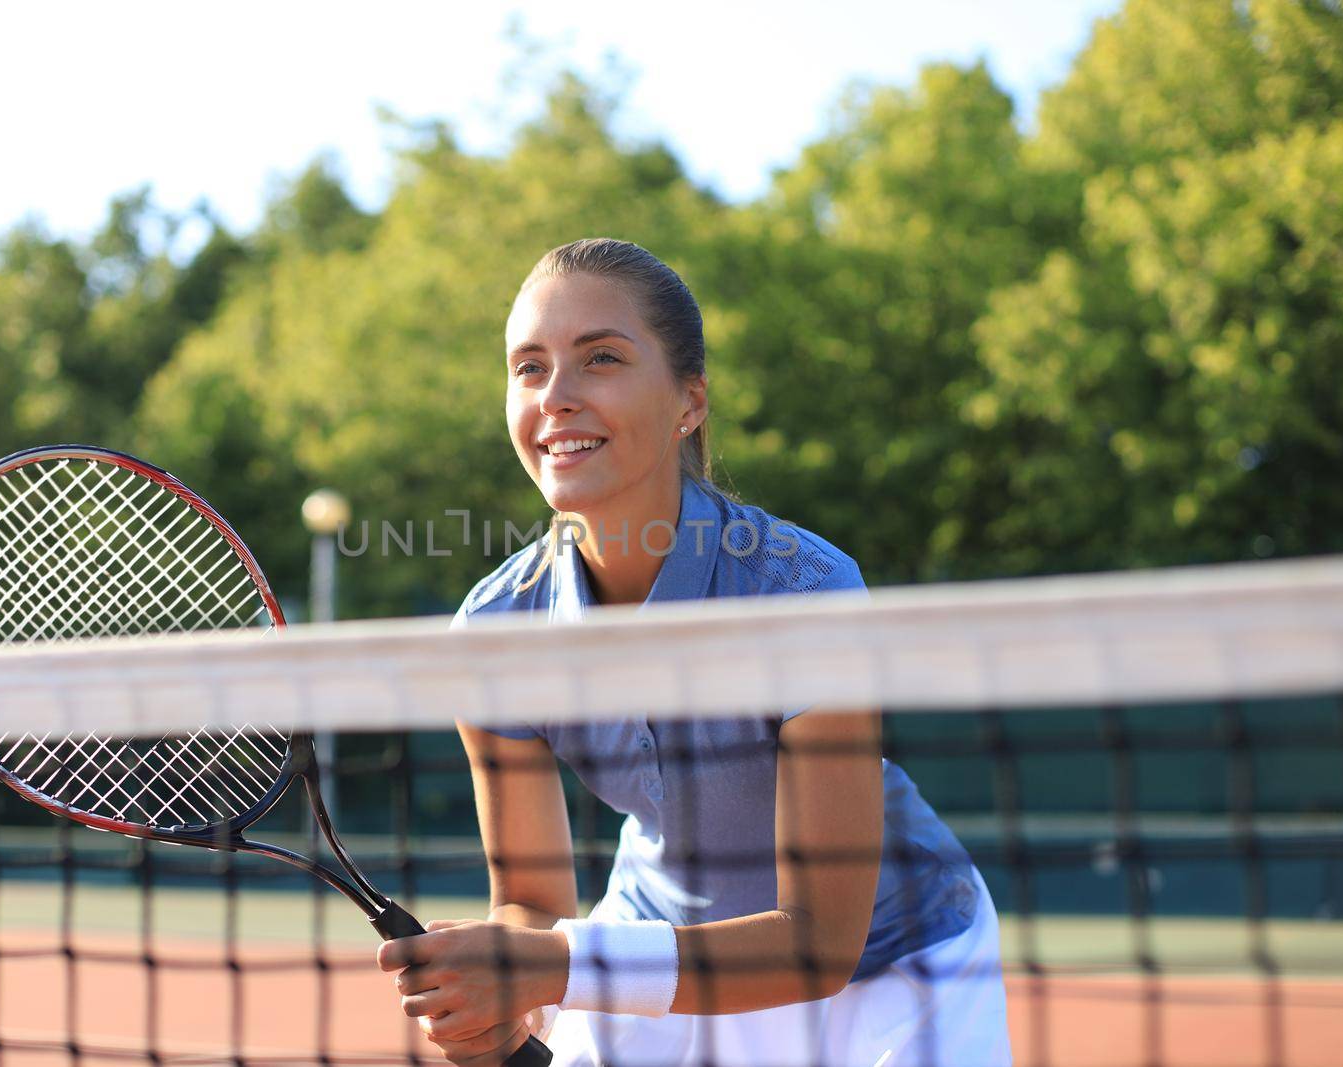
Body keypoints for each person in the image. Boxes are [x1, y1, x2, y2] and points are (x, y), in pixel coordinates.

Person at [377, 238, 1011, 1067]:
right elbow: (530, 903)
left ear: (690, 401)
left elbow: (819, 942)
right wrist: (499, 990)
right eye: (529, 368)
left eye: (599, 358)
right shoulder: (496, 631)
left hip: (896, 967)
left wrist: (552, 964)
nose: (556, 396)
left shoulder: (802, 591)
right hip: (649, 954)